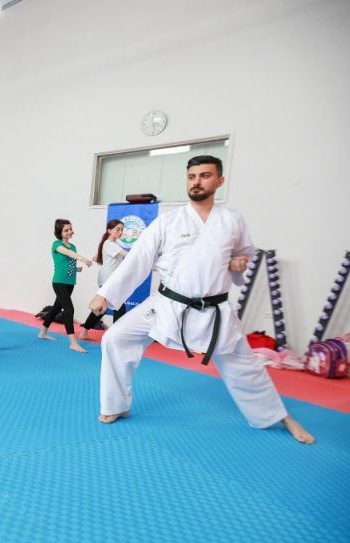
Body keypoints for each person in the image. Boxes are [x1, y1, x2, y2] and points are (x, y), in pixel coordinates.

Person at [88, 155, 314, 444]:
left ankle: (278, 416)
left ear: (219, 180)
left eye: (205, 176)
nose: (197, 182)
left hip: (214, 310)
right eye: (192, 176)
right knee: (115, 337)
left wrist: (238, 264)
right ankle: (116, 405)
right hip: (167, 303)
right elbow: (138, 259)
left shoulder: (232, 220)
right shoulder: (168, 221)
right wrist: (105, 294)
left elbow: (244, 254)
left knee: (244, 366)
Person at [37, 219, 93, 352]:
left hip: (70, 282)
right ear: (60, 232)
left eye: (70, 229)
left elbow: (68, 262)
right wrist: (83, 259)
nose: (70, 232)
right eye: (66, 230)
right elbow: (67, 253)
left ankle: (42, 332)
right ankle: (73, 342)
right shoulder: (56, 244)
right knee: (69, 309)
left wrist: (76, 268)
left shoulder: (73, 246)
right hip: (59, 282)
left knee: (56, 307)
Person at [78, 219, 128, 340]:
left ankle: (84, 332)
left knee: (102, 308)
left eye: (122, 230)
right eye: (117, 229)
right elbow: (129, 256)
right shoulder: (110, 244)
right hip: (108, 280)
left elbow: (96, 257)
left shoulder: (109, 244)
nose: (120, 232)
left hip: (107, 279)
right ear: (109, 230)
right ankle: (115, 337)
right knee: (118, 307)